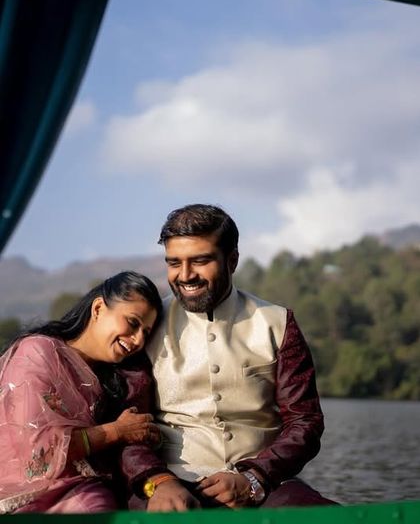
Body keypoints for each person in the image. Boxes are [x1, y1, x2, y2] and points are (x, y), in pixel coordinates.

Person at [122, 204, 337, 511]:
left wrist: (255, 477)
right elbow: (128, 426)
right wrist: (156, 481)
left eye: (200, 261)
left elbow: (305, 422)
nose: (185, 276)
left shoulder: (277, 322)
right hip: (169, 483)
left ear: (232, 260)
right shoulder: (146, 325)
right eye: (174, 263)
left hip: (265, 484)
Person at [0, 271, 162, 514]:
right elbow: (38, 456)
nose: (138, 339)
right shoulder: (37, 353)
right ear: (98, 309)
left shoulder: (111, 378)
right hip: (30, 504)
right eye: (133, 323)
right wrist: (116, 431)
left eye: (146, 333)